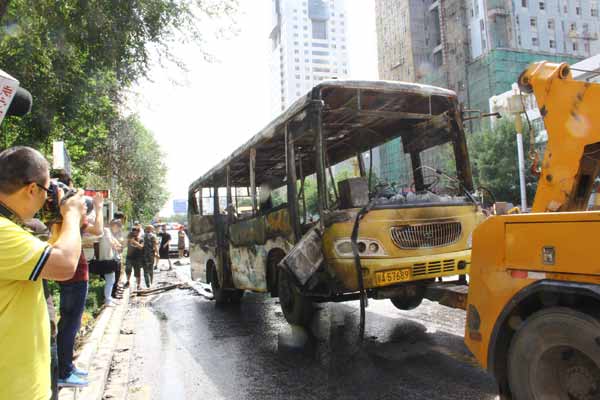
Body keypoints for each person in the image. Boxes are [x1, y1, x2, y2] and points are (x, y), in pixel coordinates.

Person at [0, 146, 86, 400]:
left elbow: (51, 260)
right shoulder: (3, 232)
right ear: (31, 189)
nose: (49, 197)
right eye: (48, 189)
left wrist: (62, 220)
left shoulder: (11, 227)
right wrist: (71, 214)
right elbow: (64, 265)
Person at [55, 185, 104, 388]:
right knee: (70, 325)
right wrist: (99, 207)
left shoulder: (60, 222)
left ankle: (67, 367)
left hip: (70, 277)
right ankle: (64, 372)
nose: (86, 210)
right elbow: (99, 230)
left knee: (67, 324)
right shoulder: (73, 220)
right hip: (75, 278)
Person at [97, 222, 122, 306]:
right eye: (118, 227)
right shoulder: (106, 230)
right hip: (106, 259)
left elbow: (117, 244)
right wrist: (116, 246)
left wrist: (117, 245)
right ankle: (107, 300)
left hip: (109, 259)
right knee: (110, 280)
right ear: (114, 225)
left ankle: (109, 298)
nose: (119, 229)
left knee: (112, 280)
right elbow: (113, 243)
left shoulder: (108, 232)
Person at [125, 225, 144, 290]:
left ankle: (138, 285)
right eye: (133, 232)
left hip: (137, 258)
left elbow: (141, 247)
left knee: (137, 272)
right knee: (128, 269)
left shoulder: (141, 239)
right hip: (129, 257)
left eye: (136, 232)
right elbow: (125, 244)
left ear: (138, 232)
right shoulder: (129, 238)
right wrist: (130, 240)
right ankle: (127, 281)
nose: (135, 233)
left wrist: (134, 242)